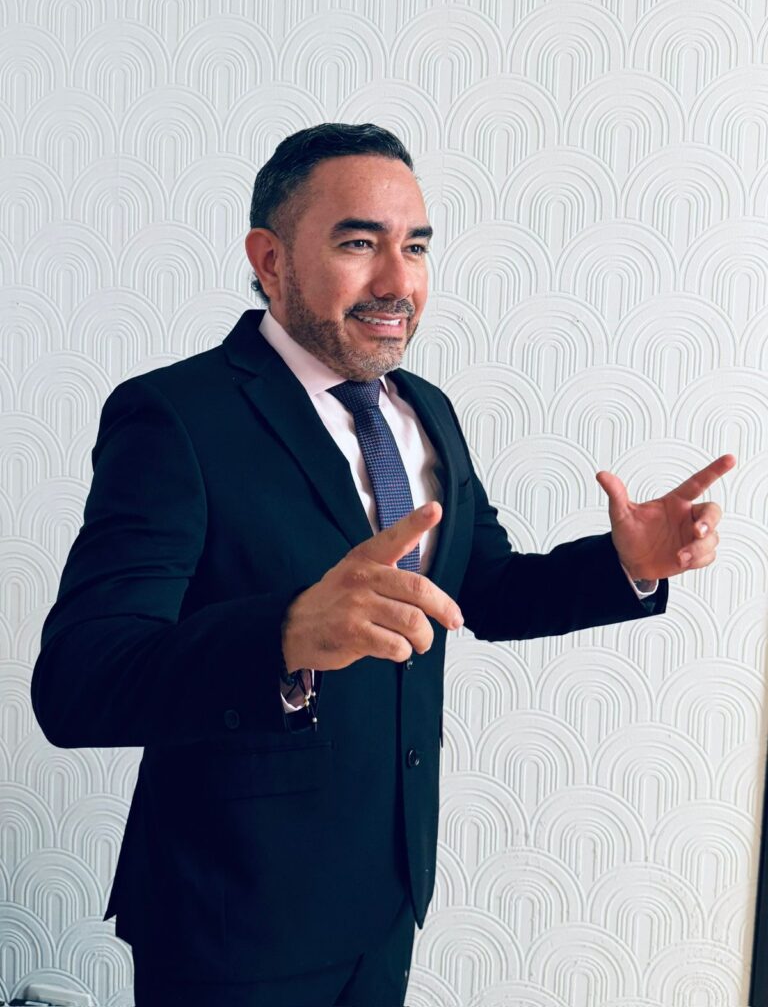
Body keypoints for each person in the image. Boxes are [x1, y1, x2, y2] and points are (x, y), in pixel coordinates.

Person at [31, 123, 733, 1007]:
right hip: (231, 916)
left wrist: (624, 565)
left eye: (417, 247)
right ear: (271, 260)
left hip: (387, 896)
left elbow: (479, 591)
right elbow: (80, 681)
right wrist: (285, 635)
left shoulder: (423, 409)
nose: (400, 282)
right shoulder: (176, 417)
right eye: (359, 244)